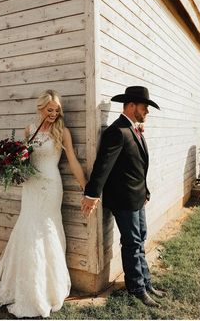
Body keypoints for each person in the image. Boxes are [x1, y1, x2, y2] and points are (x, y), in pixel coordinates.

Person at [0, 90, 87, 318]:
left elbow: (72, 159)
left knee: (47, 228)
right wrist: (12, 168)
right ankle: (25, 284)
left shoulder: (63, 131)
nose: (53, 114)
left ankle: (49, 288)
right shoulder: (29, 130)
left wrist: (87, 188)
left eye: (56, 110)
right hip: (31, 187)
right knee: (28, 227)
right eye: (49, 109)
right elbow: (23, 161)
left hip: (51, 186)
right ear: (40, 108)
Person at [81, 86, 166, 307]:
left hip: (138, 198)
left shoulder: (134, 129)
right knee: (131, 242)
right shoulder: (117, 131)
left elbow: (137, 167)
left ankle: (146, 283)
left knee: (140, 240)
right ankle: (136, 288)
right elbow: (103, 166)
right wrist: (91, 194)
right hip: (124, 200)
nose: (147, 111)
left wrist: (145, 191)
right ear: (130, 105)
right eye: (145, 107)